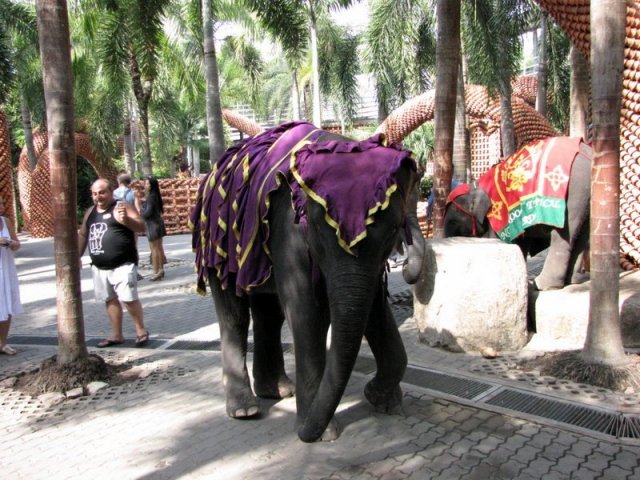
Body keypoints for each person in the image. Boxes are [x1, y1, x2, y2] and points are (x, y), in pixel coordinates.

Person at [78, 178, 150, 347]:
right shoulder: (90, 212)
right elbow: (82, 234)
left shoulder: (122, 206)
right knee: (109, 299)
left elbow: (141, 227)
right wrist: (77, 256)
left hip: (123, 263)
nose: (98, 197)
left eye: (102, 192)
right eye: (94, 194)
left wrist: (126, 221)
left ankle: (141, 331)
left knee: (129, 298)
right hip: (99, 266)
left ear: (111, 192)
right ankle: (116, 334)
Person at [0, 196, 21, 355]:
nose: (1, 205)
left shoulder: (6, 221)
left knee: (7, 304)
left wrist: (13, 244)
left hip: (6, 268)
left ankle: (3, 342)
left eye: (2, 202)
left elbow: (16, 243)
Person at [136, 176, 167, 281]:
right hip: (158, 223)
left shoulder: (151, 197)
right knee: (158, 248)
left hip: (152, 225)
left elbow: (147, 213)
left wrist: (138, 206)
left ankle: (156, 271)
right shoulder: (155, 196)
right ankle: (161, 269)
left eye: (147, 183)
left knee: (154, 249)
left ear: (152, 185)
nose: (145, 185)